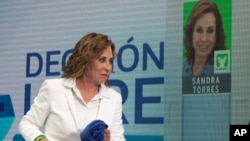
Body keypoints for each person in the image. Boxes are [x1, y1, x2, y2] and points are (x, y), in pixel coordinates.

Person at [19, 32, 126, 141]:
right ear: (85, 61)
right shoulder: (54, 88)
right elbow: (27, 123)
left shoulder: (114, 98)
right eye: (102, 60)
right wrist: (40, 139)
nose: (108, 67)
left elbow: (118, 138)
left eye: (110, 61)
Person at [182, 0, 226, 76]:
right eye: (199, 30)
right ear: (191, 34)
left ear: (216, 36)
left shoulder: (221, 72)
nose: (204, 39)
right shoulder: (181, 67)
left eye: (210, 31)